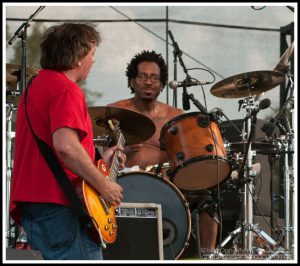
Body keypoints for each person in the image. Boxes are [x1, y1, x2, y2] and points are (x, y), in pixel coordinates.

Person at [9, 23, 125, 260]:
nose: (94, 61)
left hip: (34, 204)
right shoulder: (67, 90)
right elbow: (66, 146)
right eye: (92, 54)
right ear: (78, 58)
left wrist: (100, 159)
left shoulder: (35, 86)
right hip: (60, 204)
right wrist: (104, 187)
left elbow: (53, 147)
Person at [107, 50, 218, 258]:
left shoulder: (176, 116)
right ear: (132, 81)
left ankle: (207, 257)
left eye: (155, 77)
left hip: (168, 183)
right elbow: (103, 154)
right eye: (143, 76)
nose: (149, 82)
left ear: (162, 84)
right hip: (127, 182)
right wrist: (124, 150)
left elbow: (186, 157)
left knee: (209, 200)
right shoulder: (115, 111)